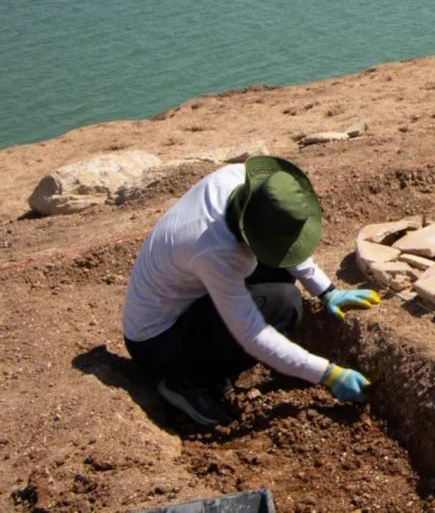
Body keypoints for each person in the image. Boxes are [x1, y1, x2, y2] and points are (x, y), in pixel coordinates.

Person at [122, 155, 379, 427]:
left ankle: (214, 363)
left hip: (187, 302)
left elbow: (283, 239)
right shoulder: (213, 250)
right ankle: (188, 383)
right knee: (284, 303)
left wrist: (326, 290)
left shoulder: (243, 184)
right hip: (158, 343)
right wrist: (328, 374)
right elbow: (252, 334)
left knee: (277, 268)